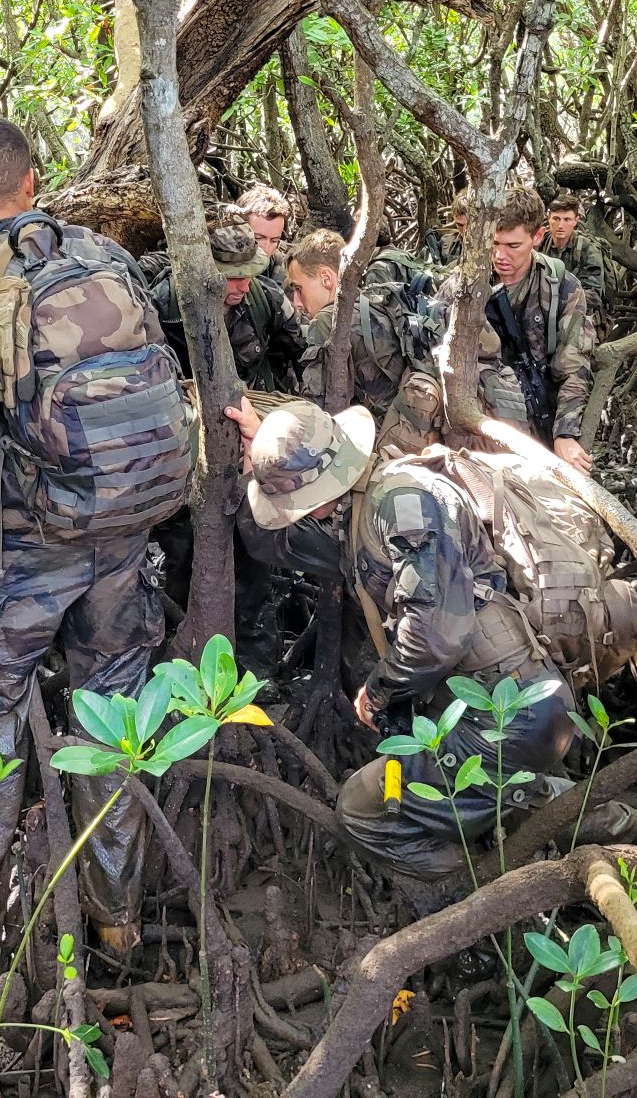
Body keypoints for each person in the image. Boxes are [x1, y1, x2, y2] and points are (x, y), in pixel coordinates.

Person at [0, 117, 187, 976]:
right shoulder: (107, 258)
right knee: (112, 717)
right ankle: (116, 925)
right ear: (35, 181)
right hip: (128, 539)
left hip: (22, 555)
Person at [226, 399, 578, 881]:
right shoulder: (360, 511)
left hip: (508, 715)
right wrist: (258, 466)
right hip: (490, 708)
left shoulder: (406, 505)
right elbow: (274, 543)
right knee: (527, 802)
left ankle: (473, 895)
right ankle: (588, 816)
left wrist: (379, 691)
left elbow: (434, 636)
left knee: (361, 811)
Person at [285, 229, 527, 450]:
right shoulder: (381, 301)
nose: (296, 301)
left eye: (299, 288)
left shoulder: (328, 322)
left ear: (327, 278)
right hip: (436, 435)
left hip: (390, 447)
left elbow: (315, 414)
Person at [486, 188, 597, 473]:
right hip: (481, 415)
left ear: (537, 237)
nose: (500, 255)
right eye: (494, 243)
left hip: (535, 411)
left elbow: (574, 364)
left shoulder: (561, 286)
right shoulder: (466, 282)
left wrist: (565, 432)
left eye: (513, 245)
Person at [150, 209, 306, 392]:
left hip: (256, 405)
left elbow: (307, 348)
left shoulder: (266, 297)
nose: (245, 287)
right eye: (233, 277)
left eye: (249, 275)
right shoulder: (165, 304)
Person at [542, 193, 607, 303]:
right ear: (549, 218)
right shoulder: (540, 243)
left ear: (576, 221)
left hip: (579, 312)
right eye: (556, 219)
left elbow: (594, 295)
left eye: (567, 220)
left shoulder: (588, 249)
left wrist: (558, 297)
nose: (560, 225)